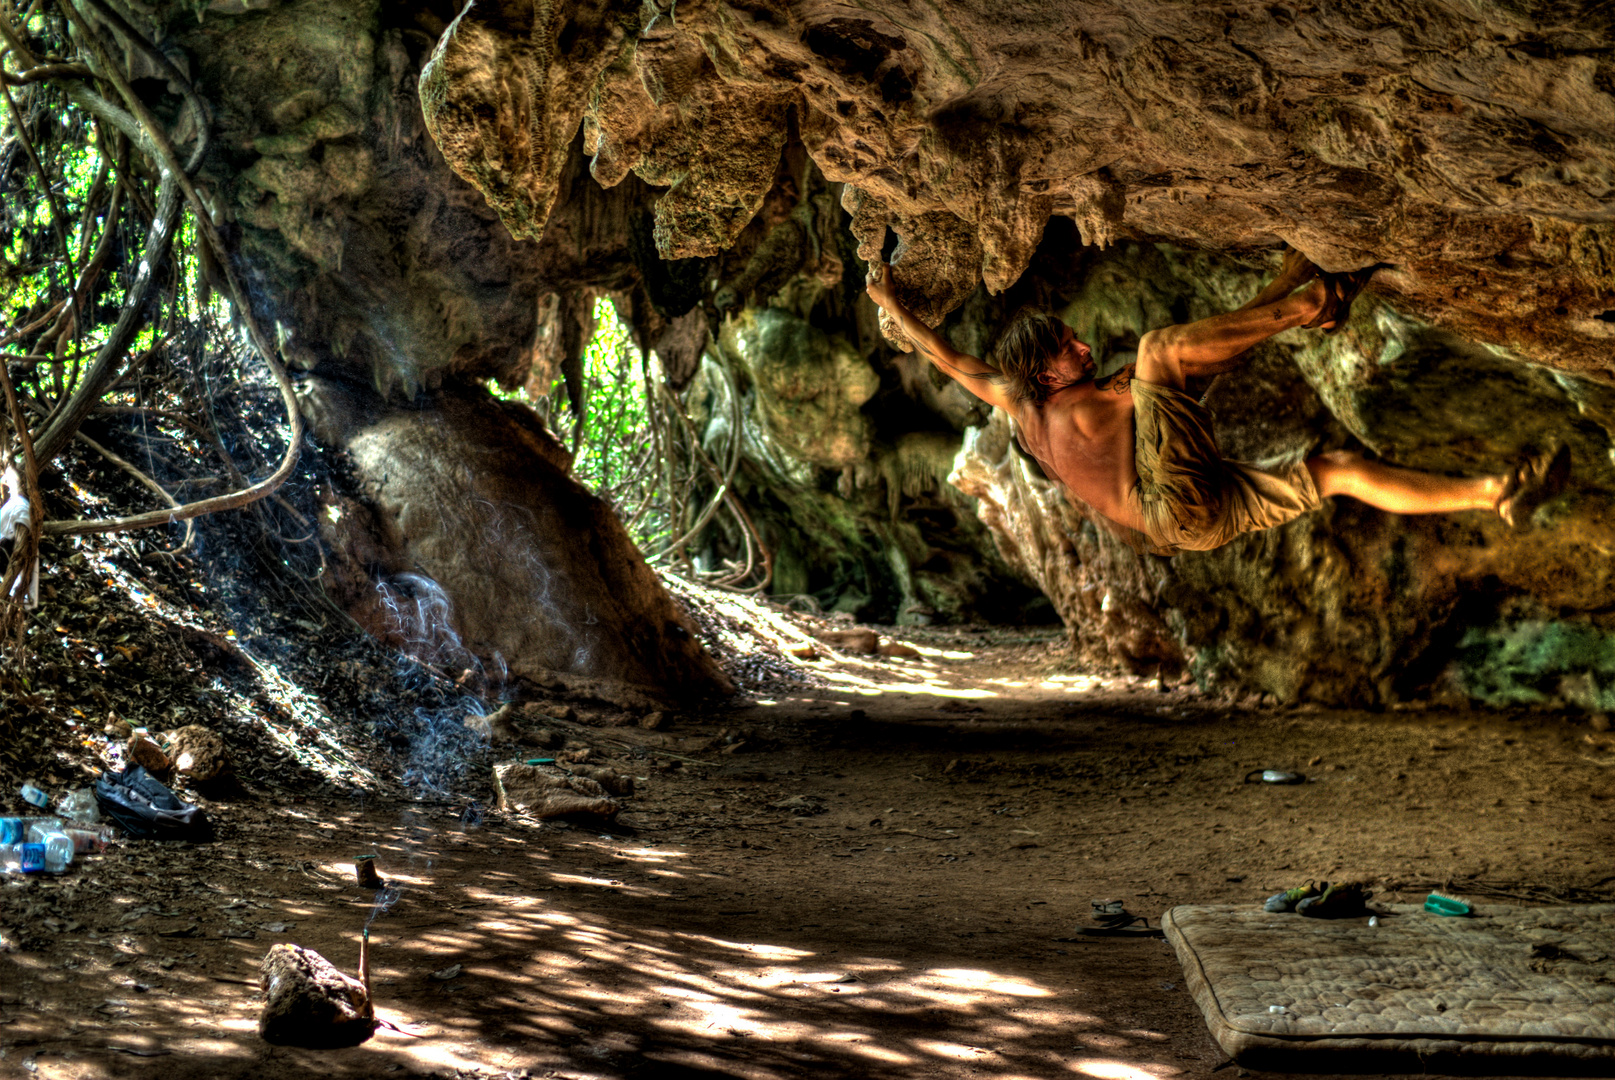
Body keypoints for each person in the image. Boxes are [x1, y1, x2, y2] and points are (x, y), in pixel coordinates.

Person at [865, 252, 1571, 554]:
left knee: (1337, 470)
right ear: (1045, 375)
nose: (1082, 348)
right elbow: (1184, 361)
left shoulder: (1019, 405)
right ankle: (1311, 301)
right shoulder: (1096, 402)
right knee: (1157, 355)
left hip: (1184, 525)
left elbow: (946, 356)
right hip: (1175, 503)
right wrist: (1290, 303)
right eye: (1067, 349)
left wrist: (890, 300)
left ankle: (1493, 494)